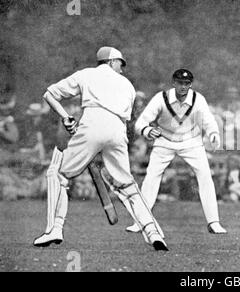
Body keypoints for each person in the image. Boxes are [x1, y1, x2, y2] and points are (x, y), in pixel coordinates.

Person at [33, 46, 168, 251]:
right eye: (120, 64)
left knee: (58, 175)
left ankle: (55, 229)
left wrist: (67, 118)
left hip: (92, 123)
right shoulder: (128, 85)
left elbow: (49, 94)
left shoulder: (86, 74)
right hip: (118, 131)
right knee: (127, 186)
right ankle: (153, 232)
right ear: (112, 61)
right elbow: (123, 117)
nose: (122, 69)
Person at [132, 69, 227, 234]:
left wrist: (213, 133)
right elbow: (141, 123)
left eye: (187, 83)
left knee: (205, 177)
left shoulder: (198, 99)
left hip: (192, 142)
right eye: (180, 83)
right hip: (164, 141)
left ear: (190, 84)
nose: (183, 87)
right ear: (173, 83)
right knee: (151, 178)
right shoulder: (161, 98)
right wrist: (147, 131)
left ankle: (214, 222)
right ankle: (141, 221)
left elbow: (208, 120)